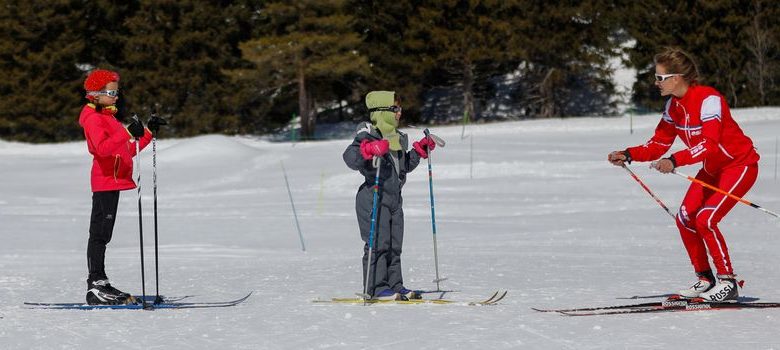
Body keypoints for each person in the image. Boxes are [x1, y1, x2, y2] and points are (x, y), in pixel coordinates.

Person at [608, 47, 760, 302]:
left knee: (706, 219)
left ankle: (728, 281)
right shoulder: (673, 106)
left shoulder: (709, 100)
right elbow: (658, 143)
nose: (656, 83)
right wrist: (628, 154)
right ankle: (705, 278)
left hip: (739, 166)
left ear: (677, 77)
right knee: (685, 218)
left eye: (660, 77)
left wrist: (675, 160)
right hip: (711, 170)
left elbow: (710, 144)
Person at [78, 69, 164, 305]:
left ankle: (99, 282)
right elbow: (102, 149)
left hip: (113, 181)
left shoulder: (107, 116)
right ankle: (96, 285)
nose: (116, 96)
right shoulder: (94, 119)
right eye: (111, 92)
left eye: (117, 91)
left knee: (104, 234)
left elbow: (126, 150)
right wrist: (127, 132)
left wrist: (146, 131)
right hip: (104, 182)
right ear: (95, 94)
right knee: (99, 234)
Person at [343, 91, 436, 300]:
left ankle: (395, 284)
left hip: (394, 198)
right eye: (395, 109)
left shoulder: (397, 138)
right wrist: (367, 149)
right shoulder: (369, 135)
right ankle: (375, 288)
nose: (399, 113)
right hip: (373, 197)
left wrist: (419, 152)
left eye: (400, 109)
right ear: (382, 112)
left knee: (395, 244)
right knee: (379, 243)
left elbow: (401, 168)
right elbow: (350, 157)